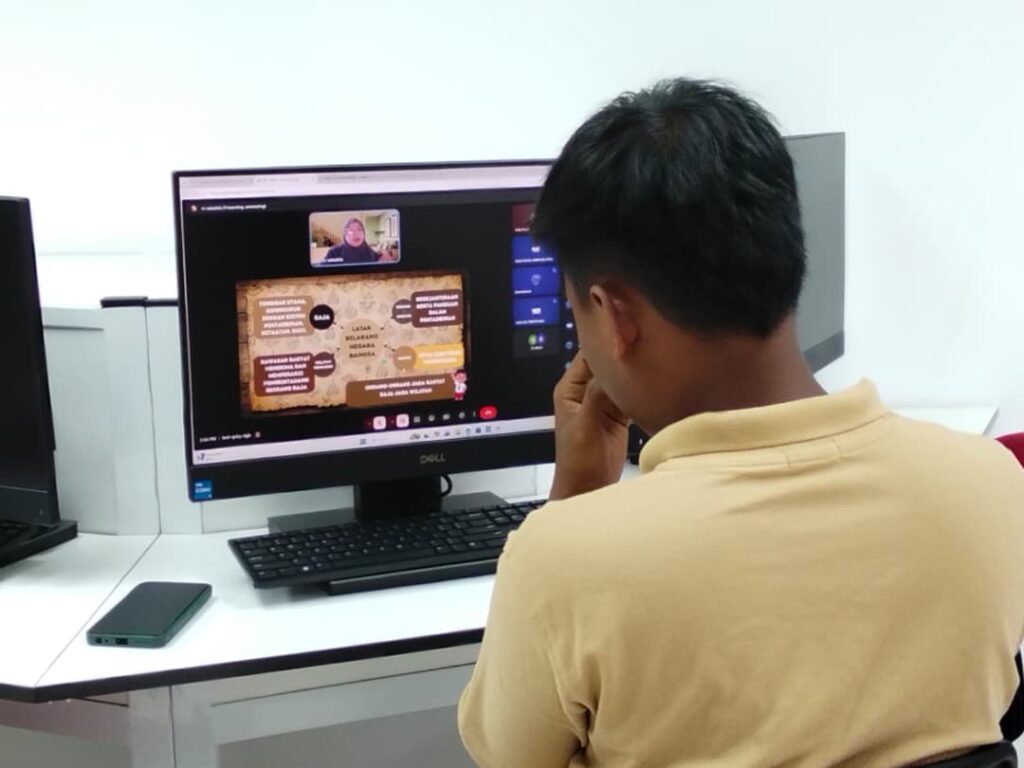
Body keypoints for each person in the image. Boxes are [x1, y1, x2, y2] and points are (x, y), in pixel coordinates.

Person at [457, 78, 1024, 767]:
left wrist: (574, 501)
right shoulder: (993, 483)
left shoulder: (564, 563)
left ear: (613, 316)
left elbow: (508, 755)